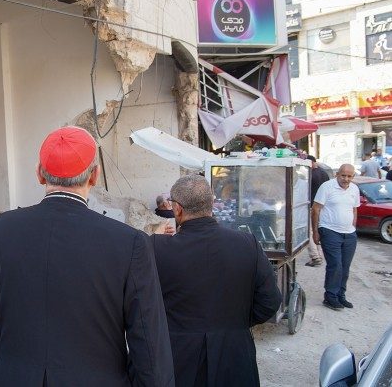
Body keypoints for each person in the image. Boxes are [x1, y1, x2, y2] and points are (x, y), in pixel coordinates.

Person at [0, 126, 174, 387]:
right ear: (95, 176)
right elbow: (148, 342)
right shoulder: (129, 242)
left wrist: (13, 367)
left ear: (39, 174)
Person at [151, 175, 281, 387]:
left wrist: (152, 238)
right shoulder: (247, 243)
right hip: (235, 355)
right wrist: (235, 325)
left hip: (179, 358)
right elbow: (270, 302)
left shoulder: (157, 247)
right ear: (212, 204)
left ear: (177, 209)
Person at [313, 163, 360, 311]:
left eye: (349, 176)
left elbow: (354, 209)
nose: (346, 179)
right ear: (337, 174)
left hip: (349, 234)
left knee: (345, 267)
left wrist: (353, 226)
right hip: (329, 231)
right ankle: (330, 297)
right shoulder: (327, 187)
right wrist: (315, 231)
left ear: (353, 177)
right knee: (336, 265)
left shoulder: (354, 189)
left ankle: (341, 295)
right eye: (343, 175)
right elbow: (315, 209)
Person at [306, 155, 330, 267]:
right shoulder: (324, 173)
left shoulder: (310, 175)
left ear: (311, 162)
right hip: (323, 206)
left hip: (312, 206)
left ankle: (315, 256)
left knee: (309, 232)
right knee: (317, 230)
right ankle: (320, 254)